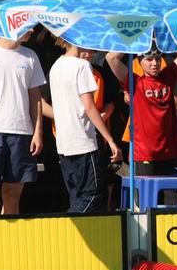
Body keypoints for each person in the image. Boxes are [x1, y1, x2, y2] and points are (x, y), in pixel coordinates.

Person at [48, 38, 122, 212]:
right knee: (92, 196)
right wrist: (110, 140)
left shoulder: (56, 66)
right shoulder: (82, 66)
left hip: (64, 144)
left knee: (77, 196)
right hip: (83, 142)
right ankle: (68, 227)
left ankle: (72, 228)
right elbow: (89, 107)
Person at [105, 45, 177, 178]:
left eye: (158, 59)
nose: (155, 63)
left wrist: (162, 42)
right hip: (144, 154)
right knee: (146, 192)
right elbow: (111, 57)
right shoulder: (135, 82)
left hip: (169, 152)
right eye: (149, 59)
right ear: (140, 61)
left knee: (171, 192)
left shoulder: (167, 76)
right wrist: (134, 39)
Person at [0, 30, 45, 215]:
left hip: (22, 132)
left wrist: (38, 132)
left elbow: (35, 98)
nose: (32, 30)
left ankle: (8, 233)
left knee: (12, 194)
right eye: (27, 25)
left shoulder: (30, 55)